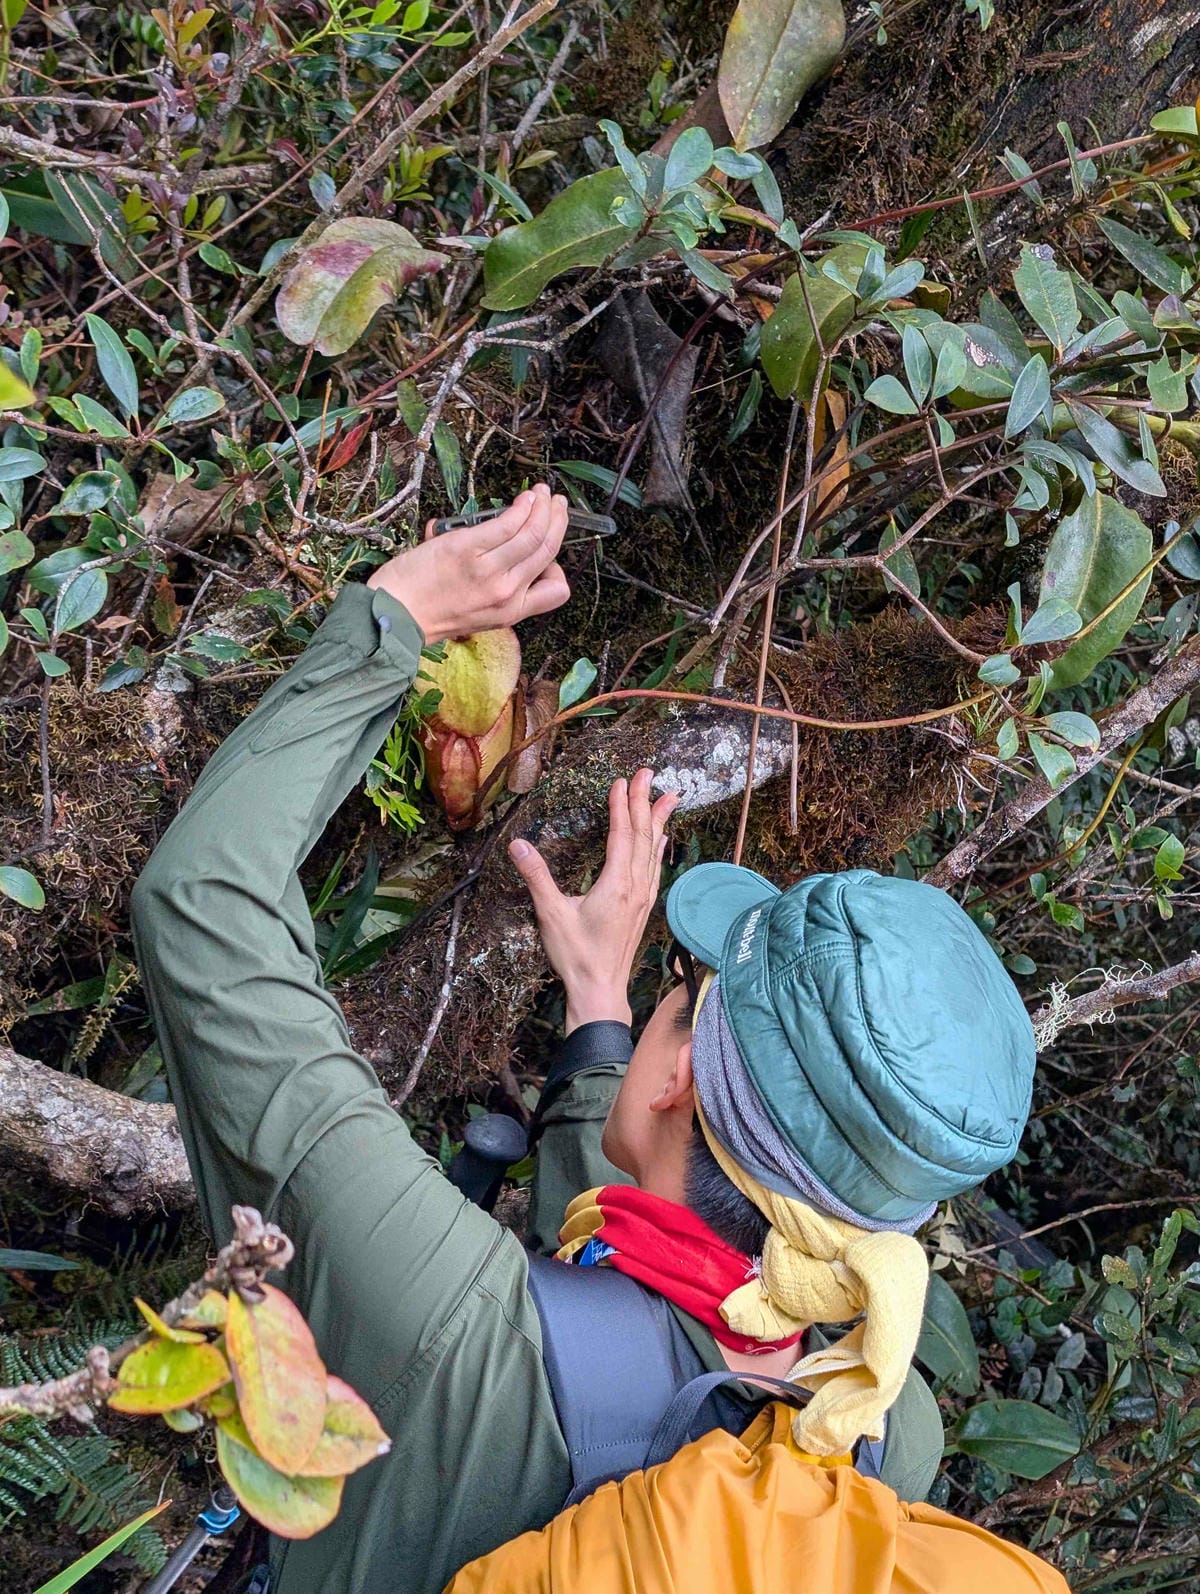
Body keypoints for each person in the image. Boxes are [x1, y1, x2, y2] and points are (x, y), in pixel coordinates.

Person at [130, 484, 1036, 1594]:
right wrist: (601, 1006)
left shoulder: (442, 1320)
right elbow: (625, 1352)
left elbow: (202, 908)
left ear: (676, 1078)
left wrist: (396, 614)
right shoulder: (884, 1424)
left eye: (680, 988)